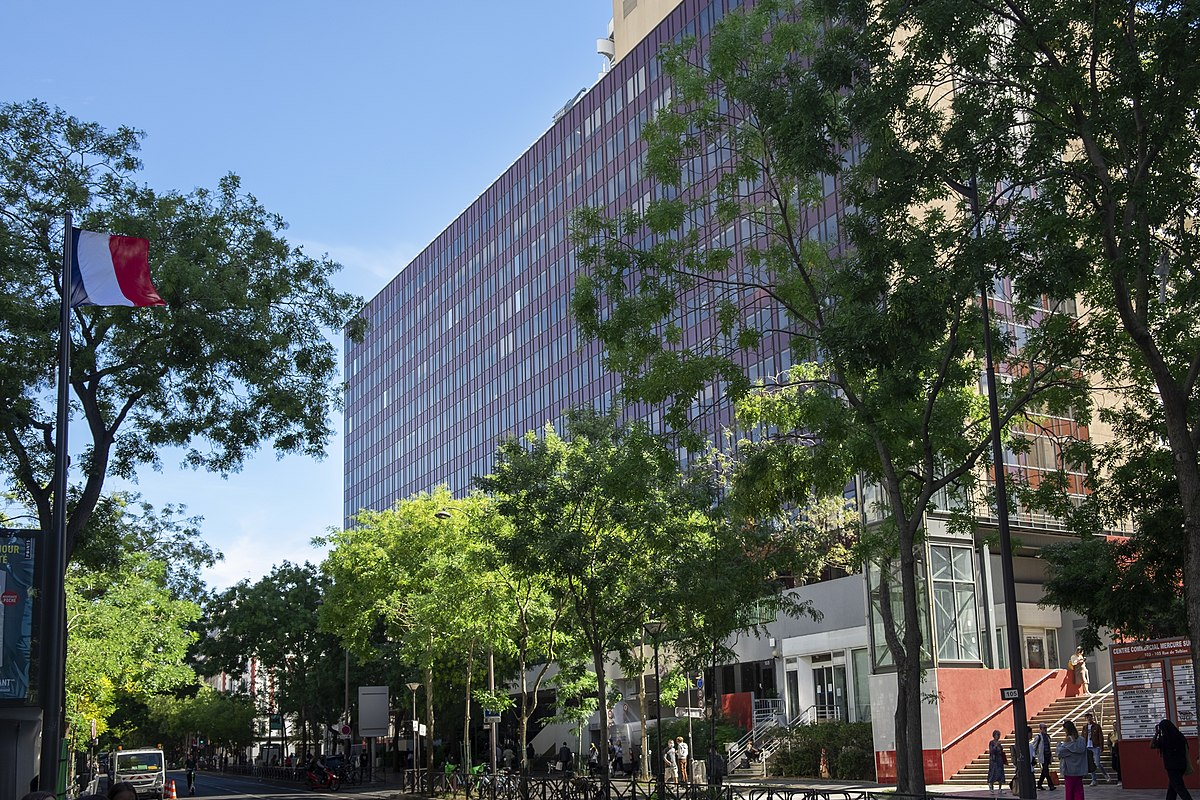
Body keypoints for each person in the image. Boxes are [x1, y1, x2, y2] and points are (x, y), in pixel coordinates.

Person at [1152, 718, 1194, 800]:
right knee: (1172, 787)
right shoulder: (1180, 736)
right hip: (1182, 765)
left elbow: (1152, 745)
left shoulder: (1164, 739)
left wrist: (1157, 733)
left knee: (1179, 787)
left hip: (1171, 767)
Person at [1057, 719, 1089, 800]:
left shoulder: (1068, 740)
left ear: (1066, 729)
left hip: (1069, 770)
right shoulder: (1081, 740)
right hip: (1080, 770)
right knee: (1079, 791)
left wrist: (1059, 745)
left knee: (1069, 792)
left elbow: (1060, 752)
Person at [1083, 712, 1110, 785]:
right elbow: (1083, 737)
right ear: (1085, 719)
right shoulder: (1084, 728)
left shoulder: (1097, 726)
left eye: (1090, 717)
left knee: (1097, 763)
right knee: (1091, 763)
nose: (1089, 718)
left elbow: (1101, 737)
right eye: (1087, 717)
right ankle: (1094, 779)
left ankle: (1105, 774)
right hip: (1087, 747)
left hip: (1095, 746)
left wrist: (1101, 746)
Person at [1033, 722, 1057, 790]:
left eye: (1046, 728)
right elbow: (1034, 747)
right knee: (1046, 770)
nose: (1045, 729)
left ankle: (1039, 784)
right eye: (1044, 728)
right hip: (1042, 755)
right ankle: (1051, 785)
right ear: (1040, 729)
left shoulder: (1047, 736)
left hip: (1047, 755)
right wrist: (1034, 756)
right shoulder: (1038, 737)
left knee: (1044, 770)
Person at [988, 729, 1007, 794]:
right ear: (994, 735)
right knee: (993, 773)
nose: (998, 736)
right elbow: (991, 751)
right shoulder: (991, 743)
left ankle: (1000, 788)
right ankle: (991, 787)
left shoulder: (999, 744)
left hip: (999, 760)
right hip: (994, 760)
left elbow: (1001, 752)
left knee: (1000, 774)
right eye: (997, 735)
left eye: (999, 735)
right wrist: (995, 746)